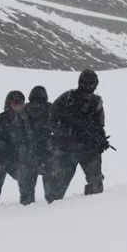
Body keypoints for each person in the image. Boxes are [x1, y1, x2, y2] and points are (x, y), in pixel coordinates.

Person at [47, 70, 107, 201]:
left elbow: (99, 125)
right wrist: (67, 132)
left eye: (93, 84)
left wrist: (101, 139)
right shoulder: (67, 98)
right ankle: (50, 216)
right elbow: (51, 120)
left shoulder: (96, 102)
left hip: (88, 148)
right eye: (87, 83)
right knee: (56, 192)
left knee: (96, 186)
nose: (90, 87)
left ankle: (89, 209)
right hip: (66, 148)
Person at [17, 85, 53, 204]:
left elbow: (15, 133)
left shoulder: (23, 111)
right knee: (53, 196)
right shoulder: (51, 109)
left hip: (27, 155)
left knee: (26, 196)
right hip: (47, 153)